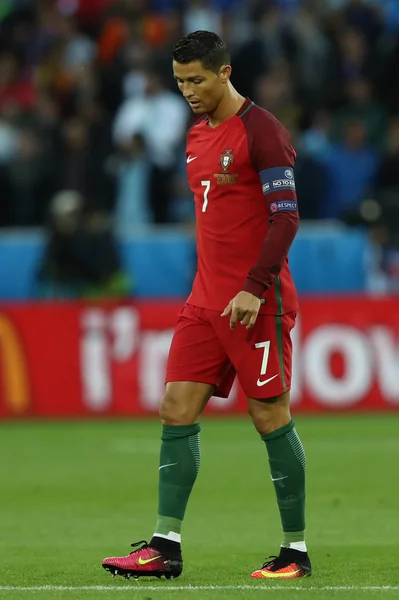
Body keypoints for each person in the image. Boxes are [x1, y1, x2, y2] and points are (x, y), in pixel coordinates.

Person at [102, 30, 310, 581]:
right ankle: (163, 547)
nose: (188, 90)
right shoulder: (197, 135)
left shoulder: (262, 132)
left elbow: (286, 217)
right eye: (179, 82)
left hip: (254, 302)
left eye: (196, 79)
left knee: (269, 416)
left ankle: (295, 551)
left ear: (224, 72)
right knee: (175, 407)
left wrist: (255, 286)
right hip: (204, 301)